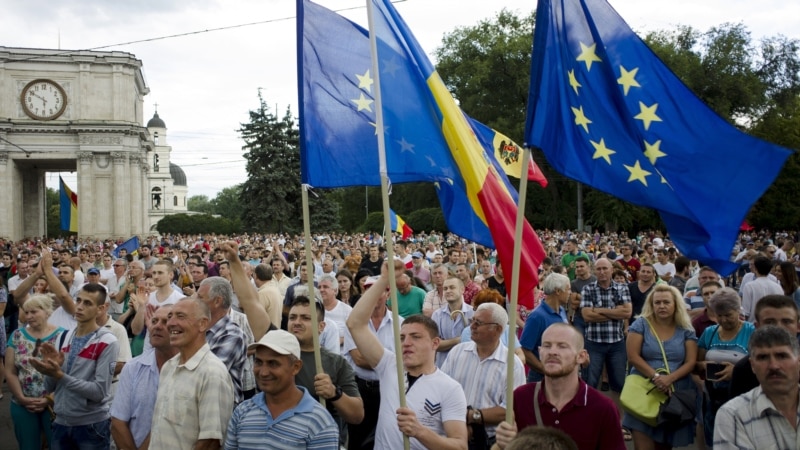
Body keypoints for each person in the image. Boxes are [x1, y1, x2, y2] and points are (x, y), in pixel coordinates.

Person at [346, 260, 468, 449]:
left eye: (416, 337)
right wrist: (385, 279)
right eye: (402, 337)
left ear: (435, 343)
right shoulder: (389, 365)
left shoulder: (450, 388)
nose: (406, 342)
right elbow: (355, 323)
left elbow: (460, 446)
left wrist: (420, 432)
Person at [494, 323, 626, 450]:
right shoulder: (520, 397)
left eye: (562, 346)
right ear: (540, 352)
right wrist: (503, 444)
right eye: (547, 345)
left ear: (581, 356)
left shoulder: (603, 408)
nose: (552, 352)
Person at [30, 283, 120, 450]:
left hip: (91, 426)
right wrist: (49, 371)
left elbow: (99, 392)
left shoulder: (107, 341)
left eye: (87, 303)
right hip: (61, 422)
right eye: (78, 300)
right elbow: (50, 387)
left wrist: (59, 375)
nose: (79, 307)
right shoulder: (63, 336)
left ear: (100, 309)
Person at [224, 329, 340, 449]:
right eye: (258, 362)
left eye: (273, 363)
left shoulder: (319, 422)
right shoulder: (242, 411)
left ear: (296, 367)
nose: (263, 372)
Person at [150, 297, 234, 450]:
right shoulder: (169, 366)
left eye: (180, 316)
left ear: (202, 324)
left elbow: (211, 442)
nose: (171, 323)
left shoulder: (212, 373)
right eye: (170, 316)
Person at [441, 302, 525, 449]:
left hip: (489, 442)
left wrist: (471, 416)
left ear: (498, 329)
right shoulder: (457, 352)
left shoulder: (512, 365)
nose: (472, 326)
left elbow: (508, 410)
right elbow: (440, 390)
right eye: (472, 320)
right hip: (452, 435)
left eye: (478, 323)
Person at [623, 285, 698, 449]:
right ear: (651, 304)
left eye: (666, 302)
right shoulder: (641, 324)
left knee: (665, 446)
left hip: (672, 394)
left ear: (676, 304)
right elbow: (633, 357)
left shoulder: (686, 328)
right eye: (657, 302)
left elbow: (690, 362)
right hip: (644, 390)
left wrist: (669, 379)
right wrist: (656, 378)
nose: (661, 306)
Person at [288, 296, 364, 447]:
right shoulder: (276, 356)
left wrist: (334, 393)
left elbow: (357, 415)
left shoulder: (336, 363)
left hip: (323, 442)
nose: (297, 322)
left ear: (321, 326)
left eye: (305, 318)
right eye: (292, 317)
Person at [713, 326, 800, 449]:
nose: (774, 366)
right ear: (752, 366)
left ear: (798, 362)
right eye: (763, 357)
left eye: (782, 356)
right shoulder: (732, 415)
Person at [111, 306, 178, 450]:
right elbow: (118, 422)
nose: (158, 326)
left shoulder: (190, 369)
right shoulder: (133, 367)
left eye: (165, 322)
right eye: (154, 321)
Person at [4, 295, 66, 450]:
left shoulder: (63, 336)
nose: (28, 316)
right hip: (22, 404)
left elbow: (69, 372)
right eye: (26, 312)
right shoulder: (17, 335)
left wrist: (49, 398)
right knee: (28, 446)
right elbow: (10, 371)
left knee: (56, 445)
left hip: (55, 404)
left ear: (47, 312)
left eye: (34, 312)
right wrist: (21, 397)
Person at [696, 288, 756, 447]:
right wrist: (702, 365)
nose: (723, 320)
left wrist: (736, 372)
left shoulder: (752, 332)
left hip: (743, 399)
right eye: (719, 315)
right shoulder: (709, 332)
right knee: (714, 440)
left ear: (738, 310)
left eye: (728, 315)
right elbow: (696, 363)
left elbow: (760, 365)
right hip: (712, 399)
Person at [728, 294, 799, 398]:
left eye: (786, 321)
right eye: (770, 322)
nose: (778, 327)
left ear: (798, 326)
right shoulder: (743, 369)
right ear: (757, 326)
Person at [579, 258, 631, 396]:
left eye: (605, 268)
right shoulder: (588, 289)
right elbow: (587, 316)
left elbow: (627, 312)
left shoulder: (622, 288)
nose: (602, 272)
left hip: (616, 344)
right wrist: (615, 312)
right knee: (590, 383)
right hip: (593, 343)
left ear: (612, 270)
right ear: (594, 271)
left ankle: (616, 416)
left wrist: (598, 310)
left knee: (619, 384)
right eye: (599, 269)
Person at [520, 273, 569, 382]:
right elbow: (525, 349)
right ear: (558, 291)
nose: (570, 293)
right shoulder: (537, 316)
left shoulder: (561, 311)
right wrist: (546, 370)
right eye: (568, 289)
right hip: (541, 379)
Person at [431, 276, 474, 367]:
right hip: (443, 366)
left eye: (452, 287)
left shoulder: (473, 313)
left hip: (467, 365)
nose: (448, 291)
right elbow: (434, 345)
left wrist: (445, 343)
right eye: (445, 288)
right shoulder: (437, 315)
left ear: (462, 290)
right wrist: (460, 339)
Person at [742, 256, 783, 322]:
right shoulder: (778, 287)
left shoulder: (749, 286)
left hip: (753, 326)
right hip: (773, 326)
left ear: (755, 268)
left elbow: (745, 312)